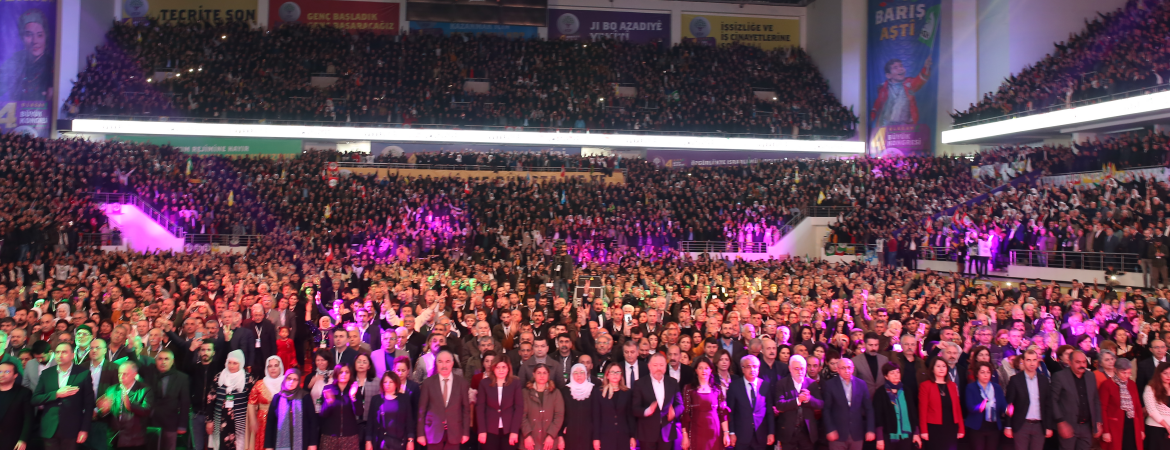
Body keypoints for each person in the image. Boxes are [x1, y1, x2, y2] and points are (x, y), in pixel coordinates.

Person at [32, 342, 94, 450]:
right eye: (57, 352)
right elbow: (35, 399)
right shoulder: (47, 373)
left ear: (72, 355)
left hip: (72, 427)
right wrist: (56, 394)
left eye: (64, 352)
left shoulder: (83, 373)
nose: (60, 355)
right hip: (49, 427)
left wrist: (84, 429)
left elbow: (89, 405)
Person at [416, 350, 471, 450]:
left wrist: (465, 433)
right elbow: (421, 410)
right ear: (436, 363)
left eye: (447, 361)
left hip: (455, 432)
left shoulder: (462, 383)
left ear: (453, 363)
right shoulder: (428, 383)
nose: (444, 365)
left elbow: (466, 410)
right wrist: (420, 434)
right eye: (440, 361)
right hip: (433, 432)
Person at [1051, 351, 1103, 450]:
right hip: (1068, 425)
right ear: (1070, 362)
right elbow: (1053, 400)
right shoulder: (1060, 377)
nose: (1082, 365)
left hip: (1087, 427)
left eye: (1084, 362)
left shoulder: (1091, 376)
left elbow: (1096, 400)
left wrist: (1098, 421)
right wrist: (1060, 422)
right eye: (1078, 362)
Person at [97, 361, 153, 449]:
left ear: (135, 374)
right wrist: (103, 411)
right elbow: (105, 414)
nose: (121, 377)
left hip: (135, 440)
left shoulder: (144, 390)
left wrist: (130, 406)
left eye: (125, 374)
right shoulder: (112, 389)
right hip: (114, 438)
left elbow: (146, 411)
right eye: (119, 374)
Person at [1004, 350, 1054, 450]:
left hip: (1039, 425)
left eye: (1034, 360)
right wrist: (1008, 426)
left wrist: (1049, 426)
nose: (1032, 363)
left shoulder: (1044, 380)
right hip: (1021, 424)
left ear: (1038, 361)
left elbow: (1048, 405)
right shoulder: (1015, 380)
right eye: (1028, 360)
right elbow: (1009, 405)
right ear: (1023, 361)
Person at [632, 353, 683, 450]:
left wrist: (674, 412)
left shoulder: (673, 382)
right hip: (647, 433)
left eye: (661, 365)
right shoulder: (639, 384)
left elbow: (680, 404)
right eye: (655, 365)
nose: (658, 368)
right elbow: (635, 408)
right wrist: (647, 411)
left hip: (667, 433)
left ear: (665, 366)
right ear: (649, 366)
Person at [208, 350, 257, 450]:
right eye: (229, 362)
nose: (231, 366)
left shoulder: (248, 378)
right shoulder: (218, 377)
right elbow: (211, 399)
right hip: (220, 421)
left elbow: (252, 401)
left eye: (235, 363)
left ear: (241, 363)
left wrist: (253, 420)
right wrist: (209, 420)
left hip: (240, 422)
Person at [822, 357, 874, 450]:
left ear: (853, 368)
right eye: (843, 368)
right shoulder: (830, 384)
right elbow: (826, 409)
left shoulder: (861, 384)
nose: (847, 370)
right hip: (837, 433)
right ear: (837, 369)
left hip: (857, 433)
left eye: (849, 367)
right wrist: (830, 429)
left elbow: (868, 408)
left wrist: (870, 429)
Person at [680, 356, 729, 450]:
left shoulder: (717, 389)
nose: (704, 371)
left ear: (711, 370)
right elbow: (685, 414)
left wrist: (726, 433)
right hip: (696, 432)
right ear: (696, 370)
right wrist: (685, 436)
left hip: (715, 433)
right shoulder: (688, 389)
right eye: (700, 368)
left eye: (706, 368)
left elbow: (723, 413)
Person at [265, 368, 320, 450]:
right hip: (279, 442)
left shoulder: (305, 397)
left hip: (302, 443)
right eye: (289, 378)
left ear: (299, 382)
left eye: (295, 379)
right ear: (285, 379)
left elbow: (312, 421)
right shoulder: (277, 398)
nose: (291, 382)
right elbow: (270, 423)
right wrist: (269, 446)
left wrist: (312, 443)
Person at [774, 355, 821, 450]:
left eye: (802, 369)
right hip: (788, 433)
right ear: (789, 368)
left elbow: (820, 404)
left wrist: (809, 399)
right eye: (796, 369)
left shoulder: (812, 383)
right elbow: (779, 405)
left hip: (807, 433)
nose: (800, 372)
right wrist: (797, 400)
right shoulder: (781, 384)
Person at [727, 355, 773, 450]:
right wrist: (731, 432)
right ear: (742, 369)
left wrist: (771, 432)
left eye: (755, 366)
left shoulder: (765, 385)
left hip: (760, 436)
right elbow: (730, 412)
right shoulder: (734, 386)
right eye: (748, 366)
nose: (752, 369)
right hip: (741, 436)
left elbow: (769, 412)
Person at [147, 349, 190, 450]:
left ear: (172, 361)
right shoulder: (150, 374)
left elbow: (185, 402)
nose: (163, 362)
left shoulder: (182, 377)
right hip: (151, 421)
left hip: (171, 422)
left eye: (166, 359)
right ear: (156, 361)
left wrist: (182, 425)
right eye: (160, 359)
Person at [476, 359, 523, 450]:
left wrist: (514, 431)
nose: (501, 370)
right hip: (489, 430)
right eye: (498, 367)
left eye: (504, 367)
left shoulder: (515, 383)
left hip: (509, 431)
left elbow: (519, 408)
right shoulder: (484, 383)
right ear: (493, 368)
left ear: (508, 368)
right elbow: (480, 408)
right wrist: (482, 431)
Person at [919, 357, 963, 450]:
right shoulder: (925, 386)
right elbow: (922, 410)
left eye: (944, 366)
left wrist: (961, 428)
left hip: (951, 426)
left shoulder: (952, 385)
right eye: (938, 366)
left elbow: (957, 408)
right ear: (932, 369)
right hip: (934, 427)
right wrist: (923, 430)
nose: (942, 368)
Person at [873, 362, 920, 450]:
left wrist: (916, 433)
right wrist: (879, 438)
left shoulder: (906, 390)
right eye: (892, 373)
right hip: (888, 435)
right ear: (886, 376)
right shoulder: (881, 393)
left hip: (906, 435)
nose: (896, 375)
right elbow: (878, 417)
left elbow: (913, 414)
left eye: (898, 372)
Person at [1099, 358, 1143, 450]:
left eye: (1129, 373)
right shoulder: (1107, 385)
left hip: (1132, 425)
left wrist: (1141, 429)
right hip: (1115, 427)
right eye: (1123, 372)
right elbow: (1102, 409)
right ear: (1115, 370)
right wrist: (1105, 431)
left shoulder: (1131, 384)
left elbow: (1138, 407)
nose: (1126, 376)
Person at [319, 364, 364, 450]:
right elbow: (323, 414)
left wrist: (352, 396)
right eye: (341, 372)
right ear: (336, 374)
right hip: (330, 436)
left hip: (350, 436)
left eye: (346, 372)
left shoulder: (354, 390)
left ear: (350, 374)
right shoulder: (328, 388)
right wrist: (329, 402)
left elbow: (359, 412)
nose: (344, 374)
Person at [366, 372, 415, 450]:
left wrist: (411, 440)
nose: (387, 384)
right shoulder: (376, 399)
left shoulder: (404, 399)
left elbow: (409, 421)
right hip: (381, 442)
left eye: (391, 382)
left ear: (396, 383)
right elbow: (370, 422)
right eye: (385, 382)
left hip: (400, 441)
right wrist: (368, 441)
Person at [593, 362, 636, 450]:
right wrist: (596, 438)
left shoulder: (627, 393)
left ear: (621, 376)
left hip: (623, 435)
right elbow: (596, 417)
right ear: (607, 375)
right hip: (605, 436)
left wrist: (632, 436)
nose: (615, 375)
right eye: (612, 372)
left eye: (618, 372)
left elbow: (630, 416)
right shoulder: (598, 393)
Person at [520, 365, 564, 450]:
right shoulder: (525, 393)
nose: (542, 375)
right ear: (534, 374)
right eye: (539, 373)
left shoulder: (556, 393)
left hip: (549, 442)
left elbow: (559, 416)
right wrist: (527, 435)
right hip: (529, 442)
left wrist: (551, 435)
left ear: (548, 375)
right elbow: (521, 415)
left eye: (544, 373)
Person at [963, 361, 1005, 450]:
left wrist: (1008, 410)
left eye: (988, 372)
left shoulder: (996, 387)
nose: (986, 375)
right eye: (982, 372)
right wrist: (979, 407)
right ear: (977, 374)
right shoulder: (971, 387)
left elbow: (1002, 405)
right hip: (977, 427)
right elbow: (970, 407)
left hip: (994, 427)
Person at [249, 356, 285, 450]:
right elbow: (251, 403)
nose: (273, 368)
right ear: (266, 368)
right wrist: (253, 421)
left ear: (280, 367)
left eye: (276, 365)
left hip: (282, 420)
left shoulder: (287, 383)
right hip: (262, 422)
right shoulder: (260, 384)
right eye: (270, 366)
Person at [559, 364, 595, 450]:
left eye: (582, 372)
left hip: (589, 434)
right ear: (571, 374)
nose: (579, 375)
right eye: (575, 372)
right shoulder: (565, 391)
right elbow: (560, 414)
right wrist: (560, 435)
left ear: (586, 374)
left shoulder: (594, 390)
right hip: (570, 433)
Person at [0, 361, 32, 450]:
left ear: (15, 375)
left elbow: (28, 418)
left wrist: (23, 439)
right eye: (0, 372)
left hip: (13, 439)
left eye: (7, 372)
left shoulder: (24, 392)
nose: (2, 375)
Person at [1141, 362, 1170, 450]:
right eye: (1165, 373)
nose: (1168, 376)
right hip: (1155, 429)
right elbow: (1152, 411)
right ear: (1159, 374)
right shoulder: (1150, 388)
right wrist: (1167, 427)